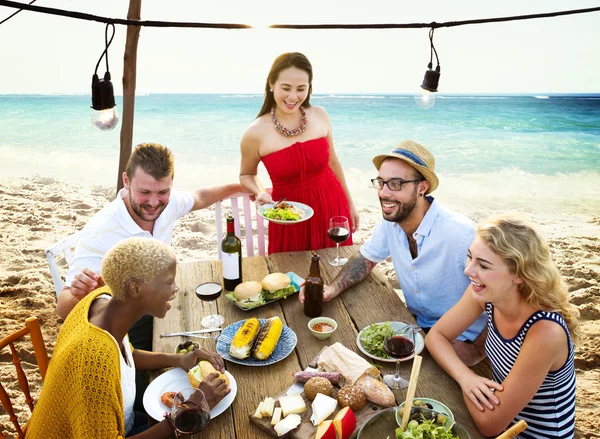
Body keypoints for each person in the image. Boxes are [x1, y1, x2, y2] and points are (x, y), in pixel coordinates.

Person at [300, 140, 487, 365]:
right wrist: (331, 289)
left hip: (461, 341)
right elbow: (366, 258)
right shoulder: (391, 221)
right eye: (381, 182)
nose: (384, 193)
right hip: (414, 330)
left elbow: (504, 294)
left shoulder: (461, 234)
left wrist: (478, 349)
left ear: (422, 187)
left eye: (396, 184)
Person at [26, 238, 231, 439]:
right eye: (169, 282)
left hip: (126, 423)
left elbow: (125, 356)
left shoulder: (104, 301)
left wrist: (179, 359)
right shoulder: (93, 359)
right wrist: (190, 409)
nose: (175, 289)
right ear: (135, 288)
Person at [425, 215, 578, 438]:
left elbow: (490, 424)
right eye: (470, 257)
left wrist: (464, 378)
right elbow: (435, 336)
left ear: (518, 274)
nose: (469, 270)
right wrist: (466, 377)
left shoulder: (546, 331)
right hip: (499, 415)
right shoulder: (484, 292)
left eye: (483, 265)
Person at [239, 52, 359, 254]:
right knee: (290, 278)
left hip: (331, 203)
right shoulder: (254, 132)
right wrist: (259, 191)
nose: (293, 96)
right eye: (286, 88)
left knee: (335, 269)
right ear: (271, 84)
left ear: (309, 88)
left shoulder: (320, 115)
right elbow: (246, 174)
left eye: (301, 89)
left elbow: (334, 163)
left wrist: (350, 204)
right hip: (289, 216)